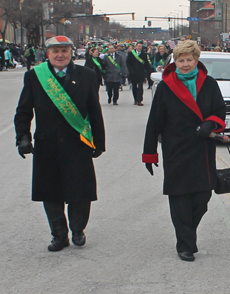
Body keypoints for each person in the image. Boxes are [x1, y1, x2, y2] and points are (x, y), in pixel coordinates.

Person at [14, 36, 105, 252]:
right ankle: (59, 235)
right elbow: (24, 111)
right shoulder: (35, 77)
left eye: (64, 50)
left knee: (80, 192)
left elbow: (94, 110)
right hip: (48, 145)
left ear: (71, 52)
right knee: (50, 193)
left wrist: (99, 141)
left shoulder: (87, 75)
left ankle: (77, 230)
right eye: (55, 51)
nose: (60, 55)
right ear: (48, 54)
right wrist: (23, 137)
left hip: (78, 144)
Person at [142, 40, 226, 262]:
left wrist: (211, 123)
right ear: (175, 61)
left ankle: (187, 232)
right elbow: (155, 122)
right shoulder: (165, 87)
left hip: (202, 147)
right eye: (181, 60)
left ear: (197, 60)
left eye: (189, 59)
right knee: (179, 197)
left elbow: (219, 110)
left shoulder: (209, 83)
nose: (186, 64)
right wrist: (149, 153)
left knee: (202, 196)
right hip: (175, 149)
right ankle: (185, 243)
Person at [127, 41, 150, 106]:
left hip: (141, 73)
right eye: (139, 46)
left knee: (140, 87)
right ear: (136, 46)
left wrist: (148, 72)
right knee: (134, 87)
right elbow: (128, 63)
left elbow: (146, 64)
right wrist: (130, 70)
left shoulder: (144, 54)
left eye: (141, 47)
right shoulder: (131, 54)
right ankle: (136, 99)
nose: (140, 48)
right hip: (133, 73)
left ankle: (139, 100)